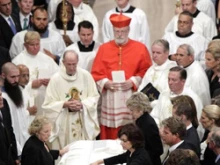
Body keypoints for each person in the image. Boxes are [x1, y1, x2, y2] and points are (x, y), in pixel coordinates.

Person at [91, 12, 152, 139]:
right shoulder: (103, 49)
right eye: (117, 31)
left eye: (123, 31)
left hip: (130, 96)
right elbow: (95, 73)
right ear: (113, 30)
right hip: (110, 98)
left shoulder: (140, 48)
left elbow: (147, 70)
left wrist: (133, 81)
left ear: (128, 30)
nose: (120, 34)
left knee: (131, 131)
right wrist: (106, 83)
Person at [42, 50, 100, 149]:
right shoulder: (56, 79)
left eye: (74, 64)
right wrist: (64, 104)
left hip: (82, 120)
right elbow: (48, 105)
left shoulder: (86, 76)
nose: (72, 67)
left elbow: (94, 97)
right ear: (63, 62)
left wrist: (83, 104)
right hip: (64, 123)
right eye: (69, 64)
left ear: (78, 62)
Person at [12, 31, 59, 115]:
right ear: (25, 45)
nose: (35, 47)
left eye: (37, 44)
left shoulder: (47, 59)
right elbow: (13, 84)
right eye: (32, 45)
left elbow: (58, 75)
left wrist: (51, 81)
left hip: (46, 99)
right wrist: (30, 85)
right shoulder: (17, 61)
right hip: (27, 102)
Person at [1, 62, 36, 156]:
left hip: (23, 139)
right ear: (3, 75)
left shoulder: (17, 91)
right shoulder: (2, 97)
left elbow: (21, 120)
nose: (16, 80)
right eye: (12, 77)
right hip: (12, 144)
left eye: (18, 76)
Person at [126, 92, 163, 165]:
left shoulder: (148, 124)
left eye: (132, 110)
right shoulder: (140, 120)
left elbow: (158, 150)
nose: (130, 113)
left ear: (139, 108)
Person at [0, 88, 19, 165]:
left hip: (9, 158)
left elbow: (10, 129)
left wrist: (15, 157)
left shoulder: (4, 104)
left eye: (0, 94)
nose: (1, 98)